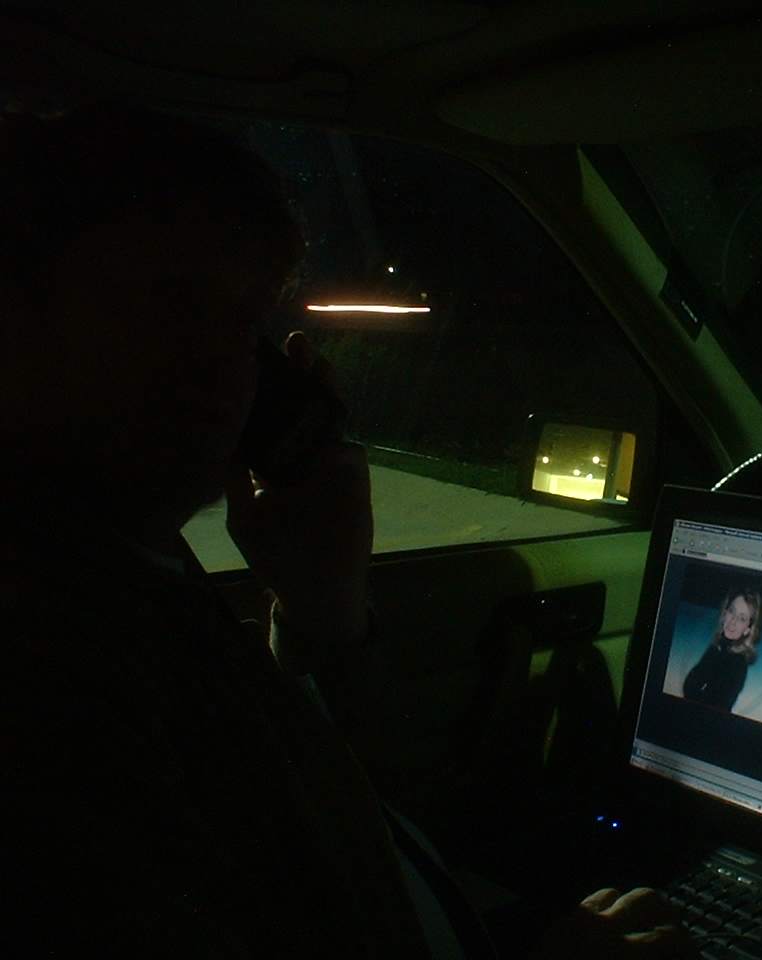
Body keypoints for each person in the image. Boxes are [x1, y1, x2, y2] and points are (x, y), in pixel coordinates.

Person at [0, 104, 686, 958]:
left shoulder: (129, 563)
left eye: (243, 323)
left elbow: (317, 823)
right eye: (167, 304)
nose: (220, 369)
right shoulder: (42, 655)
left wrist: (318, 611)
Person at [682, 589, 762, 712]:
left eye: (742, 619)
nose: (733, 621)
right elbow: (689, 686)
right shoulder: (717, 648)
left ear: (748, 629)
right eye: (732, 611)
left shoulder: (738, 664)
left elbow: (717, 706)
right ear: (725, 613)